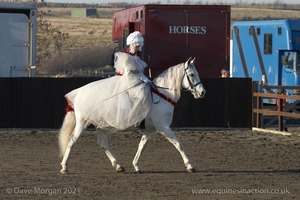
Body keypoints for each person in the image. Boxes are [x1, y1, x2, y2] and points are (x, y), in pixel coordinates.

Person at [65, 31, 152, 130]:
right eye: (137, 46)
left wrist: (145, 78)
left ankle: (142, 117)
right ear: (132, 45)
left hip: (133, 80)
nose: (139, 48)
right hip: (126, 81)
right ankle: (139, 119)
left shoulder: (136, 57)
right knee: (142, 94)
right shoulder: (125, 57)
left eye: (139, 46)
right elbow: (129, 73)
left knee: (147, 91)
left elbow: (137, 71)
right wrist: (142, 78)